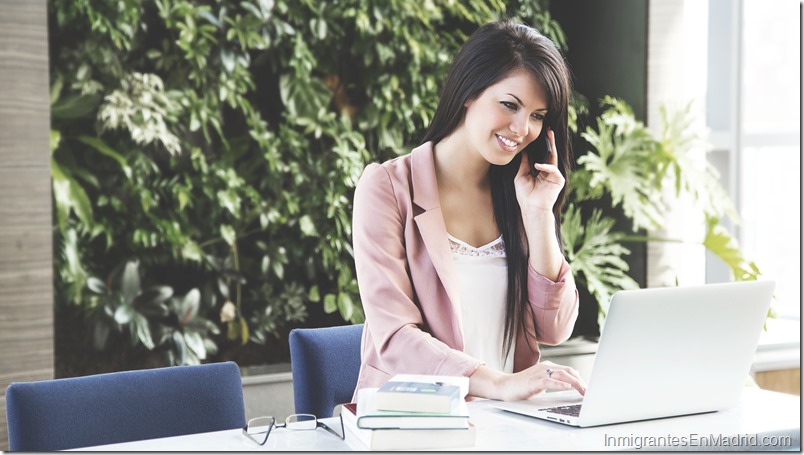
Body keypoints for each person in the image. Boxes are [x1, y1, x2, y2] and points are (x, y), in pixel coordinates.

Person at [351, 19, 586, 402]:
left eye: (538, 115)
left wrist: (540, 215)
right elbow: (394, 337)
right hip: (416, 420)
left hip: (509, 423)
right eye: (510, 105)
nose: (522, 128)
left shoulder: (521, 193)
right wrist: (498, 383)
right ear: (468, 92)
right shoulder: (388, 187)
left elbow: (555, 328)